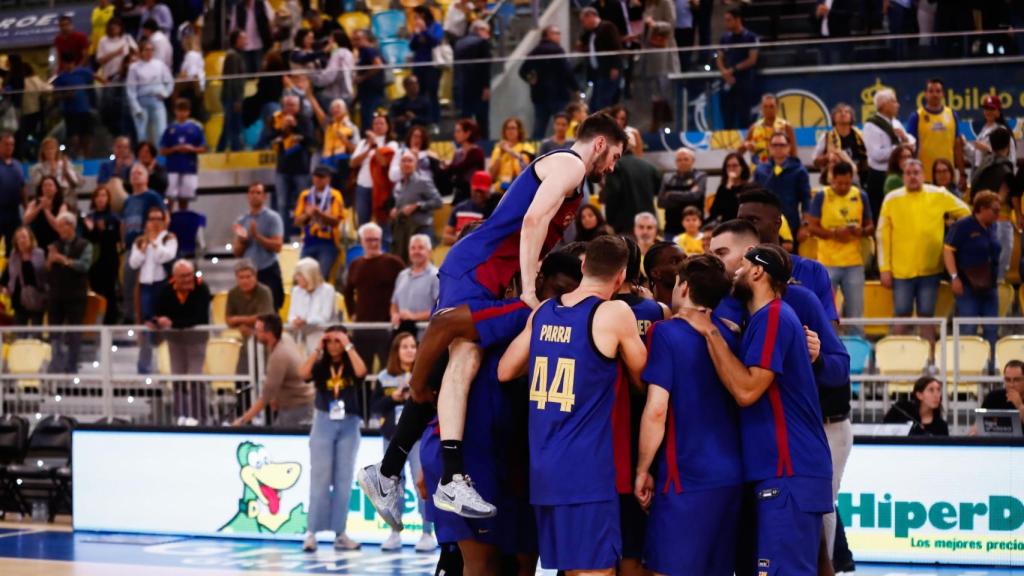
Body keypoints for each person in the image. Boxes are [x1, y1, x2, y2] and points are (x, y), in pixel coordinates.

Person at [358, 113, 626, 529]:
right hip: (477, 268)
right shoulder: (571, 164)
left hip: (486, 271)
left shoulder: (563, 172)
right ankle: (438, 474)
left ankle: (397, 470)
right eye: (615, 157)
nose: (612, 167)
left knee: (464, 360)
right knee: (471, 348)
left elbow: (516, 224)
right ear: (600, 144)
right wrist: (528, 290)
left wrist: (519, 277)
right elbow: (532, 221)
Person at [679, 243, 834, 576]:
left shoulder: (773, 316)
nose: (734, 272)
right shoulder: (763, 320)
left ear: (757, 271)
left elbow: (747, 391)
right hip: (784, 470)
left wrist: (710, 332)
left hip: (788, 467)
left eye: (741, 266)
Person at [496, 235, 647, 574]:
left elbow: (505, 370)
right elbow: (644, 380)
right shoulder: (613, 312)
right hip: (586, 472)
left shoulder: (545, 311)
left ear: (583, 266)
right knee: (597, 571)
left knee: (572, 569)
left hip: (544, 471)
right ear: (621, 276)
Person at [635, 254, 742, 576]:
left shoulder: (665, 333)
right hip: (731, 474)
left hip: (686, 475)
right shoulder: (729, 334)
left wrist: (642, 469)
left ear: (683, 287)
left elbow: (656, 410)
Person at [878, 160, 969, 342]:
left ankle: (931, 356)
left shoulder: (939, 194)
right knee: (901, 313)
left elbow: (966, 213)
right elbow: (882, 236)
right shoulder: (891, 199)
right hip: (901, 271)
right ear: (903, 177)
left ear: (924, 175)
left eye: (916, 172)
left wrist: (950, 226)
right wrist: (884, 268)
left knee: (927, 315)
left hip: (930, 269)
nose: (912, 176)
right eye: (908, 173)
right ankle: (896, 354)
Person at [300, 325, 368, 552]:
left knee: (344, 480)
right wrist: (317, 349)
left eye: (338, 340)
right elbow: (303, 374)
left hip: (349, 423)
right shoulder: (321, 365)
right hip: (323, 422)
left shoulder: (351, 363)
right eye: (329, 341)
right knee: (320, 478)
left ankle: (340, 533)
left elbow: (361, 372)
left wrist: (348, 345)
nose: (333, 345)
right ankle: (311, 532)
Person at [371, 332, 437, 552]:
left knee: (422, 484)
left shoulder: (425, 372)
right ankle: (394, 533)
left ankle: (427, 533)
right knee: (393, 486)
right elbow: (375, 407)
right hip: (392, 438)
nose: (409, 350)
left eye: (412, 346)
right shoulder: (384, 377)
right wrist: (393, 398)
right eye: (404, 347)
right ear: (396, 351)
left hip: (418, 438)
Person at [736, 189, 840, 323]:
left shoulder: (813, 270)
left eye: (753, 220)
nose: (744, 227)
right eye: (740, 221)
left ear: (777, 223)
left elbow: (829, 325)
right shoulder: (734, 272)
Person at [807, 162, 874, 331]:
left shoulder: (860, 195)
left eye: (847, 183)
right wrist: (835, 233)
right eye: (839, 183)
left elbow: (870, 226)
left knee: (856, 312)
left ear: (852, 179)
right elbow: (812, 227)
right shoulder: (822, 196)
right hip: (827, 263)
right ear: (832, 179)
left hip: (854, 262)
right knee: (825, 311)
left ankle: (857, 342)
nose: (844, 187)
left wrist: (860, 231)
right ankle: (826, 343)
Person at [153, 260, 212, 424]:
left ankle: (199, 417)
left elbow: (199, 318)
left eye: (189, 275)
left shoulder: (202, 289)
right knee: (177, 377)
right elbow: (159, 313)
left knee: (195, 377)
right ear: (174, 277)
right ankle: (180, 416)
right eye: (182, 276)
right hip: (174, 339)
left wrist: (172, 323)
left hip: (196, 339)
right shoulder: (166, 290)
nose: (187, 279)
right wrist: (158, 321)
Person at [234, 314, 316, 427]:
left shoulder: (279, 356)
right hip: (299, 404)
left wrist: (242, 420)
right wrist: (275, 398)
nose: (254, 333)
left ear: (268, 334)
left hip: (297, 408)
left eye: (257, 330)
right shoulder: (284, 338)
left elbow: (266, 396)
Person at [343, 222, 406, 366]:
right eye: (368, 240)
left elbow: (405, 289)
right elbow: (347, 292)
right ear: (361, 241)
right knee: (363, 369)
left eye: (376, 239)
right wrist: (352, 313)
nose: (373, 243)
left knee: (389, 367)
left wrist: (397, 312)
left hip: (387, 325)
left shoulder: (394, 262)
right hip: (362, 327)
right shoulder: (355, 264)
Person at [944, 191, 1001, 348]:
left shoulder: (993, 226)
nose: (998, 215)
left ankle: (991, 361)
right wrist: (954, 277)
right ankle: (968, 362)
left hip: (990, 286)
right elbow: (948, 251)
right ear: (982, 209)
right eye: (994, 211)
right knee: (968, 329)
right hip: (967, 286)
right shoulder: (962, 226)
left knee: (992, 328)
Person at [130, 206, 178, 373]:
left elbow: (166, 257)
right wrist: (143, 249)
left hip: (163, 285)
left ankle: (165, 365)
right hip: (145, 286)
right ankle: (145, 366)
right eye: (152, 219)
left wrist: (155, 243)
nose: (155, 223)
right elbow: (133, 263)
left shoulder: (169, 238)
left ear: (164, 221)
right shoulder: (139, 241)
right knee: (146, 325)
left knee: (163, 323)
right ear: (146, 222)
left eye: (159, 219)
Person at [46, 212, 93, 374]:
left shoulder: (85, 245)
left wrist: (64, 260)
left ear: (71, 226)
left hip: (76, 295)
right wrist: (50, 260)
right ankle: (56, 365)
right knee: (54, 332)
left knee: (74, 332)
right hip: (56, 295)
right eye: (58, 226)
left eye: (62, 226)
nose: (59, 229)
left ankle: (72, 366)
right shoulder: (54, 245)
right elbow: (47, 270)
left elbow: (85, 265)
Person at [121, 164, 166, 323]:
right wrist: (123, 243)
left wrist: (156, 239)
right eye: (133, 173)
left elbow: (164, 217)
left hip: (148, 246)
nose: (135, 175)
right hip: (130, 247)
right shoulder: (128, 200)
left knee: (146, 284)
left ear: (146, 178)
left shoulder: (153, 197)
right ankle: (130, 317)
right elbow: (124, 223)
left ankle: (147, 317)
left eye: (139, 173)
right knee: (128, 283)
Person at [970, 127, 1016, 281]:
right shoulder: (1005, 169)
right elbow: (1001, 198)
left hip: (978, 220)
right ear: (1008, 145)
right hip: (999, 222)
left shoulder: (984, 164)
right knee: (999, 269)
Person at [863, 88, 915, 221]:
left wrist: (904, 138)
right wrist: (898, 149)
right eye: (894, 101)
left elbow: (911, 143)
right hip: (879, 177)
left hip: (898, 174)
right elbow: (876, 155)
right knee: (881, 216)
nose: (898, 105)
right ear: (883, 105)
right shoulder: (871, 126)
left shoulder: (896, 123)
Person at [520, 26, 579, 140]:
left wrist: (531, 79)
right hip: (558, 94)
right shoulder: (557, 50)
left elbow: (522, 71)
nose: (559, 36)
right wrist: (576, 88)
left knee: (539, 127)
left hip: (540, 95)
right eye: (556, 33)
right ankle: (564, 148)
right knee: (563, 125)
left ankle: (535, 148)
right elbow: (567, 71)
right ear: (548, 35)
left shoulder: (535, 51)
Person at [233, 183, 285, 311]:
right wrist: (243, 240)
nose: (254, 195)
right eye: (251, 192)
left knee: (271, 309)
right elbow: (237, 252)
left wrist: (257, 237)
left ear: (264, 196)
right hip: (249, 273)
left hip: (268, 269)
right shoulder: (242, 220)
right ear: (247, 196)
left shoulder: (273, 218)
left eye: (258, 192)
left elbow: (278, 246)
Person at [265, 95, 314, 226]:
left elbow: (310, 140)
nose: (290, 108)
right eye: (287, 105)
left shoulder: (304, 120)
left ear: (299, 107)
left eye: (293, 105)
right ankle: (282, 233)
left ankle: (304, 231)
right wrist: (282, 129)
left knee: (304, 202)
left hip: (301, 169)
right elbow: (268, 138)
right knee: (282, 203)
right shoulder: (276, 119)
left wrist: (295, 126)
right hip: (282, 169)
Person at [907, 78, 965, 187]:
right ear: (925, 94)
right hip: (925, 177)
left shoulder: (952, 114)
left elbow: (957, 146)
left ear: (943, 94)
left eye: (938, 91)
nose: (935, 94)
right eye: (931, 91)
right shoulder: (916, 116)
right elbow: (909, 149)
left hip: (948, 176)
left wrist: (962, 173)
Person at [753, 131, 811, 237]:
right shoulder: (760, 170)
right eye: (774, 145)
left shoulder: (799, 170)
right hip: (764, 224)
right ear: (769, 147)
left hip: (791, 224)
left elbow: (806, 200)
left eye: (782, 145)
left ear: (789, 147)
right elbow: (754, 198)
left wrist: (805, 225)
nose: (778, 148)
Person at [294, 165, 346, 280]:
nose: (318, 179)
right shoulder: (305, 195)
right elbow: (297, 221)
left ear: (328, 179)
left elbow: (336, 221)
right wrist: (308, 214)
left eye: (322, 177)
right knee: (302, 277)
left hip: (328, 243)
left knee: (320, 278)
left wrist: (319, 214)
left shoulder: (335, 195)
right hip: (308, 241)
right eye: (316, 176)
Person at [601, 134, 661, 234]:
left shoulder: (615, 167)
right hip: (648, 223)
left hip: (624, 225)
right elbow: (659, 191)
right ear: (634, 147)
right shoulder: (649, 167)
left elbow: (612, 195)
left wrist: (610, 222)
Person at [391, 151, 443, 263]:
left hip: (421, 229)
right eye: (403, 161)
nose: (406, 163)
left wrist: (417, 206)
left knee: (424, 263)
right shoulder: (398, 185)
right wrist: (395, 210)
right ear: (399, 164)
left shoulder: (423, 181)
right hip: (403, 232)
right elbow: (400, 205)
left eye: (410, 160)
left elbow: (438, 202)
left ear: (416, 164)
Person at [159, 99, 207, 212]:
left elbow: (203, 148)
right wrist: (175, 149)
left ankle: (182, 217)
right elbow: (162, 150)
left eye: (184, 110)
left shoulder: (195, 128)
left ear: (188, 112)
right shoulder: (169, 129)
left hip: (189, 167)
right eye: (179, 110)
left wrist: (191, 149)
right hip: (172, 168)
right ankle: (168, 217)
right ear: (175, 111)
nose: (181, 113)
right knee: (170, 197)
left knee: (184, 198)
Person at [83, 186, 121, 324]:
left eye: (104, 195)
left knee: (110, 292)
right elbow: (88, 240)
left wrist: (102, 230)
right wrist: (93, 230)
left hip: (110, 260)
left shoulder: (114, 218)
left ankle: (111, 322)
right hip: (94, 261)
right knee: (96, 292)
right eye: (98, 196)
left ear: (108, 199)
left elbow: (115, 239)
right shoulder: (89, 218)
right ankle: (96, 322)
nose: (100, 199)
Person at [351, 115, 398, 225]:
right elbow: (352, 163)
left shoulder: (392, 143)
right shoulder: (363, 143)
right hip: (363, 185)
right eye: (375, 123)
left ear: (388, 126)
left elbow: (384, 162)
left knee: (383, 221)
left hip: (382, 187)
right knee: (363, 221)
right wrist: (368, 149)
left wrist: (376, 146)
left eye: (381, 123)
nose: (378, 126)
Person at [716, 8, 759, 130]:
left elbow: (752, 59)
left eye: (729, 20)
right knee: (727, 117)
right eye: (725, 20)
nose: (726, 23)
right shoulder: (724, 38)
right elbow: (719, 57)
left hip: (744, 81)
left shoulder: (750, 37)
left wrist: (733, 70)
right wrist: (724, 72)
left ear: (738, 20)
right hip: (727, 82)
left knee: (744, 117)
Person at [126, 39, 174, 146]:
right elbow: (131, 90)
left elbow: (170, 82)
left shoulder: (160, 64)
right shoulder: (134, 67)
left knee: (161, 132)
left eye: (151, 50)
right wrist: (136, 108)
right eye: (146, 50)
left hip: (157, 100)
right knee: (142, 134)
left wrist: (165, 94)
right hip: (141, 102)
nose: (149, 52)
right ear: (141, 51)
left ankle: (160, 155)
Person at [390, 234, 439, 336]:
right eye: (413, 248)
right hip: (402, 334)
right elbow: (394, 303)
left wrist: (413, 316)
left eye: (421, 248)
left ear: (429, 252)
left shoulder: (436, 276)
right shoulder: (402, 275)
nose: (416, 251)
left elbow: (441, 308)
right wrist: (394, 314)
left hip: (426, 336)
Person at [288, 257, 338, 356]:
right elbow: (291, 315)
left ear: (309, 275)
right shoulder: (296, 291)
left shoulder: (328, 290)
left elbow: (324, 317)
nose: (296, 278)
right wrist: (294, 320)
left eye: (299, 275)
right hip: (302, 339)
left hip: (324, 338)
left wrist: (306, 321)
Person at [50, 55, 96, 159]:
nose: (69, 66)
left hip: (84, 110)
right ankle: (75, 158)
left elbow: (93, 77)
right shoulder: (61, 78)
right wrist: (66, 95)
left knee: (88, 137)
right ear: (63, 64)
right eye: (66, 64)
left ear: (74, 63)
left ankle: (87, 159)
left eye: (71, 63)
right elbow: (54, 95)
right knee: (74, 139)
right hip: (71, 112)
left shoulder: (82, 73)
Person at [578, 8, 623, 111]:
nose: (583, 24)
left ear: (591, 16)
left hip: (608, 70)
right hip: (598, 72)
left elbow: (616, 47)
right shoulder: (591, 32)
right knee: (594, 103)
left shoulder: (607, 27)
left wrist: (615, 67)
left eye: (584, 21)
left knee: (602, 102)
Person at [1, 227, 48, 326]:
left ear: (30, 238)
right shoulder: (13, 256)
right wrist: (4, 288)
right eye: (18, 238)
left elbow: (45, 277)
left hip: (37, 299)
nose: (21, 240)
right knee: (19, 332)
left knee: (36, 332)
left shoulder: (40, 254)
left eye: (24, 237)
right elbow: (5, 277)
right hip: (18, 300)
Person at [812, 103, 867, 186]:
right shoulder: (826, 137)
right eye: (839, 111)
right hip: (834, 181)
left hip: (859, 178)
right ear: (834, 118)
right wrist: (827, 157)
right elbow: (815, 161)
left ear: (851, 117)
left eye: (847, 112)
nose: (843, 113)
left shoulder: (861, 136)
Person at [453, 21, 492, 138]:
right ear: (479, 30)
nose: (488, 35)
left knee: (465, 120)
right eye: (487, 31)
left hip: (462, 87)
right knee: (482, 120)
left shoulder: (459, 43)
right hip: (478, 87)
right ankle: (483, 143)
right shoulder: (482, 42)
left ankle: (465, 140)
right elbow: (485, 67)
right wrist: (486, 86)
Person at [659, 147, 707, 238]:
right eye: (679, 160)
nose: (682, 162)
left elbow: (695, 196)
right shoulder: (667, 178)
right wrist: (688, 194)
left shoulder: (700, 176)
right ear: (675, 162)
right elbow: (661, 202)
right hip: (671, 229)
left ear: (693, 161)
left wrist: (671, 194)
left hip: (694, 229)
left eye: (686, 159)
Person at [225, 258, 275, 343]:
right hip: (240, 335)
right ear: (236, 278)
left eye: (248, 277)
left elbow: (264, 319)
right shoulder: (232, 293)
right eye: (241, 277)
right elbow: (228, 320)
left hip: (264, 335)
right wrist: (250, 320)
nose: (245, 281)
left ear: (255, 276)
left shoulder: (264, 292)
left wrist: (237, 319)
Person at [740, 94, 797, 166]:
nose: (768, 110)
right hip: (758, 169)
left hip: (780, 168)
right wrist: (746, 145)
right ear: (761, 108)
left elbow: (793, 153)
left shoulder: (786, 126)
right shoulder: (754, 127)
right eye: (765, 106)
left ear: (777, 107)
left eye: (771, 106)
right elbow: (740, 151)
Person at [883, 376, 949, 436]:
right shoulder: (901, 411)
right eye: (931, 390)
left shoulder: (941, 426)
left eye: (938, 390)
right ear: (919, 395)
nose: (936, 395)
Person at [442, 119, 486, 205]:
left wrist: (448, 165)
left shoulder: (476, 152)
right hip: (459, 193)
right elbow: (452, 172)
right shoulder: (458, 152)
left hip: (473, 194)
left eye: (458, 131)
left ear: (468, 133)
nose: (455, 135)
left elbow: (460, 168)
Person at [444, 171, 493, 245]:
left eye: (482, 191)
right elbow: (446, 238)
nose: (479, 194)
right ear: (471, 188)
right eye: (476, 190)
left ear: (489, 191)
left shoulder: (494, 211)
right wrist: (466, 240)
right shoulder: (460, 209)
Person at [351, 29, 387, 131]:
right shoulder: (360, 52)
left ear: (365, 38)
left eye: (358, 39)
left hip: (372, 92)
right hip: (365, 93)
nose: (355, 42)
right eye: (353, 40)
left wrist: (363, 77)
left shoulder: (369, 50)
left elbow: (378, 65)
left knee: (370, 120)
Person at [488, 118, 535, 193]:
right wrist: (500, 155)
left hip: (519, 187)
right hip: (500, 189)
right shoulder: (498, 149)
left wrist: (508, 150)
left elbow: (524, 165)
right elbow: (491, 175)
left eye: (513, 128)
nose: (510, 131)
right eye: (507, 128)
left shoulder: (526, 147)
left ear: (519, 130)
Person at [219, 29, 247, 152]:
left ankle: (223, 150)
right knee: (232, 126)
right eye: (243, 39)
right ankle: (235, 150)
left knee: (229, 126)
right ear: (236, 40)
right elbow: (233, 80)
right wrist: (237, 99)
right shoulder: (233, 56)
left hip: (232, 97)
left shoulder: (236, 55)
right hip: (231, 98)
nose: (246, 41)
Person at [24, 177, 68, 254]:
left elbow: (58, 226)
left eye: (50, 185)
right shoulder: (34, 203)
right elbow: (26, 220)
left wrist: (46, 210)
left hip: (55, 241)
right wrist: (39, 207)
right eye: (44, 185)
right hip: (37, 241)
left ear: (56, 189)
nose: (47, 188)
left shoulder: (62, 205)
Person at [231, 0, 276, 74]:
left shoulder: (262, 3)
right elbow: (233, 28)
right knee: (246, 74)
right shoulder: (238, 7)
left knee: (260, 73)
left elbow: (272, 19)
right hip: (244, 48)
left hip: (260, 46)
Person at [973, 94, 1016, 169]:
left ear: (998, 112)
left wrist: (987, 149)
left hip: (997, 172)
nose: (988, 112)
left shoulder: (1002, 131)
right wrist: (966, 146)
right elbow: (977, 159)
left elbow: (1008, 157)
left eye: (992, 109)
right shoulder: (984, 129)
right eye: (986, 109)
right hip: (982, 171)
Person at [708, 152, 749, 225]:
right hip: (726, 225)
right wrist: (728, 185)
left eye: (735, 166)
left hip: (743, 225)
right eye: (728, 166)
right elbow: (714, 212)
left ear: (742, 167)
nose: (731, 169)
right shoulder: (723, 188)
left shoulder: (748, 187)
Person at [979, 360, 1024, 426]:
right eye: (1008, 380)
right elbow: (978, 424)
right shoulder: (993, 397)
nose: (1011, 385)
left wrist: (1020, 406)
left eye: (1016, 380)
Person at [389, 77, 432, 142]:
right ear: (405, 86)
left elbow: (429, 119)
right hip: (402, 134)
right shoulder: (398, 103)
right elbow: (391, 118)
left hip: (420, 134)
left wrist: (415, 117)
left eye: (416, 83)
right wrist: (399, 119)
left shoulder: (425, 102)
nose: (415, 86)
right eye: (412, 83)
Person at [643, 241, 685, 306]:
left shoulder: (698, 307)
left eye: (686, 259)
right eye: (674, 262)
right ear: (655, 273)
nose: (685, 264)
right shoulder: (648, 309)